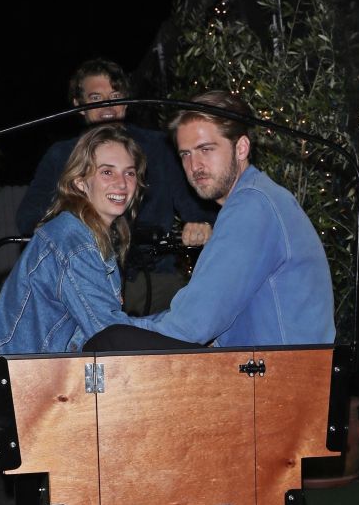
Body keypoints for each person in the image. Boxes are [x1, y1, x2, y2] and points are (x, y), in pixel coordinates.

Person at [84, 90, 335, 351]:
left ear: (241, 148)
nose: (195, 166)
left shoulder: (252, 206)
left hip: (282, 381)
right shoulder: (259, 197)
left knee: (111, 343)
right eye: (185, 154)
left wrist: (107, 331)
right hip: (265, 372)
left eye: (206, 149)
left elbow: (192, 325)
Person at [15, 57, 218, 314]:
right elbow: (29, 218)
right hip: (87, 280)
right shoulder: (61, 155)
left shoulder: (158, 146)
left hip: (155, 279)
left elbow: (196, 207)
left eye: (115, 94)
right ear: (79, 105)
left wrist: (200, 224)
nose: (109, 105)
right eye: (97, 98)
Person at [0, 125, 145, 354]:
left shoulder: (87, 232)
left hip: (56, 372)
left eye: (130, 172)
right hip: (38, 381)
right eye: (107, 172)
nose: (122, 183)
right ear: (80, 182)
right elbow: (110, 332)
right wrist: (180, 329)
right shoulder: (73, 241)